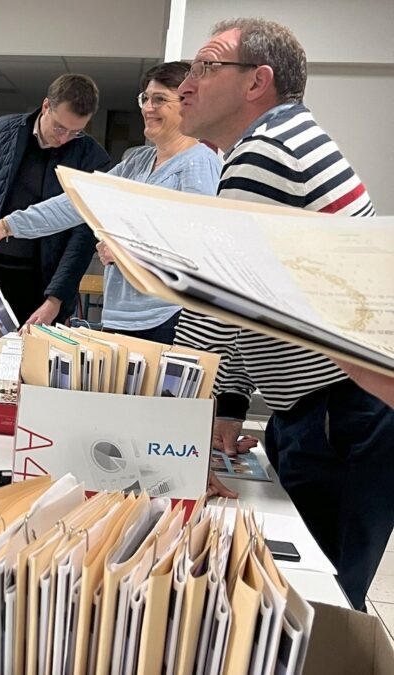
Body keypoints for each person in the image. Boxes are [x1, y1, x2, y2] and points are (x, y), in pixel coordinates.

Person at [172, 17, 393, 611]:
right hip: (337, 408)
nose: (186, 85)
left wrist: (174, 443)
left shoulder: (265, 153)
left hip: (344, 413)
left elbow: (215, 306)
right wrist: (230, 405)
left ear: (256, 82)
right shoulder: (277, 140)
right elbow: (257, 302)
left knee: (311, 602)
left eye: (205, 67)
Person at [0, 62, 221, 345]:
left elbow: (200, 250)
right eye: (145, 98)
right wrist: (5, 226)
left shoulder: (198, 162)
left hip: (164, 318)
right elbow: (76, 202)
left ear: (186, 101)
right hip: (119, 316)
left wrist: (128, 250)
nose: (148, 107)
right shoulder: (137, 162)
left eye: (159, 99)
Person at [0, 74, 113, 407]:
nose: (65, 137)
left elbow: (81, 238)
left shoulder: (91, 158)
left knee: (29, 376)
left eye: (76, 131)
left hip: (40, 283)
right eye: (59, 128)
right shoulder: (5, 130)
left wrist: (56, 298)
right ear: (45, 107)